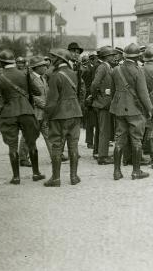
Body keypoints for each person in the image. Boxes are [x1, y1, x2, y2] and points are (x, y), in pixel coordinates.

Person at [0, 49, 45, 184]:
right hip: (27, 112)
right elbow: (37, 91)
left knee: (12, 146)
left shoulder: (0, 78)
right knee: (31, 143)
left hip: (9, 113)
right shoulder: (24, 74)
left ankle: (16, 177)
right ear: (13, 61)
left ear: (1, 62)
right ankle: (36, 173)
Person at [109, 43, 153, 180]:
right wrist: (149, 109)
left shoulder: (116, 70)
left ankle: (116, 171)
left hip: (119, 108)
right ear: (137, 56)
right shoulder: (138, 70)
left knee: (119, 139)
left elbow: (112, 90)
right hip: (134, 109)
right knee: (136, 139)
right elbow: (143, 93)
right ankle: (136, 171)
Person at [43, 48, 83, 187]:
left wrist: (46, 117)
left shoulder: (55, 75)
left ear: (60, 59)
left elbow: (52, 100)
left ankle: (56, 178)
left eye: (54, 58)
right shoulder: (73, 73)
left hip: (60, 115)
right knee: (73, 145)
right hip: (75, 112)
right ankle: (73, 176)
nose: (51, 60)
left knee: (57, 146)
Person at [18, 56, 52, 167]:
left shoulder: (43, 78)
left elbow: (46, 93)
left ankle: (55, 155)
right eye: (43, 66)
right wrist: (44, 105)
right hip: (34, 112)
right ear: (36, 67)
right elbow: (31, 95)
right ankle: (23, 158)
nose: (46, 67)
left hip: (43, 113)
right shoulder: (29, 78)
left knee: (49, 134)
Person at [90, 46, 116, 165]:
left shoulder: (107, 67)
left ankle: (102, 153)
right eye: (111, 55)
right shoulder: (102, 67)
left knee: (105, 129)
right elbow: (94, 84)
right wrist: (97, 97)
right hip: (103, 103)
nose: (114, 57)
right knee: (104, 130)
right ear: (106, 57)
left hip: (105, 103)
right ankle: (102, 156)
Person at [83, 51, 100, 157]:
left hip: (91, 96)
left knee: (94, 120)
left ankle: (91, 142)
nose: (96, 59)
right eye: (95, 58)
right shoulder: (89, 69)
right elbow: (88, 85)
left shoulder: (93, 67)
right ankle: (89, 141)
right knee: (90, 121)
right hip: (90, 97)